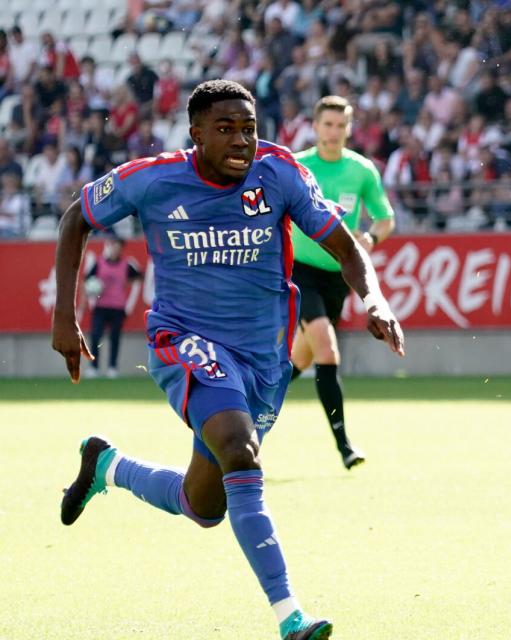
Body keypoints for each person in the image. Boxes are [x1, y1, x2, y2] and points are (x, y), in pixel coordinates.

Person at [52, 80, 405, 640]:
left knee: (205, 505)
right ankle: (291, 616)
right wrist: (64, 318)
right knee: (242, 453)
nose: (241, 139)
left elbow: (344, 245)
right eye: (225, 128)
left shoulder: (279, 172)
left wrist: (375, 300)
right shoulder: (153, 179)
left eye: (249, 127)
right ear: (195, 134)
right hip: (183, 342)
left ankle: (107, 466)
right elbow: (77, 217)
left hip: (263, 359)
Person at [288, 95, 395, 470]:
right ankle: (345, 446)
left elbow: (384, 218)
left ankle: (250, 414)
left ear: (350, 129)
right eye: (328, 125)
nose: (334, 132)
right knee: (328, 350)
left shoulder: (362, 170)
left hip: (339, 274)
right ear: (315, 127)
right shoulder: (298, 166)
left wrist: (372, 237)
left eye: (341, 126)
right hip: (299, 270)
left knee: (297, 361)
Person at [85, 236, 143, 378]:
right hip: (101, 306)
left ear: (121, 249)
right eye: (113, 246)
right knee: (96, 336)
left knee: (115, 337)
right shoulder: (99, 263)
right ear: (109, 247)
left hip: (117, 307)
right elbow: (87, 279)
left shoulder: (125, 265)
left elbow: (140, 276)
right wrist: (95, 288)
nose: (115, 250)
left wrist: (126, 282)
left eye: (118, 247)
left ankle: (112, 367)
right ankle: (94, 367)